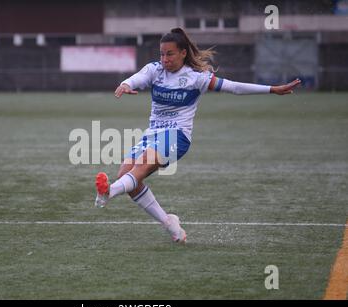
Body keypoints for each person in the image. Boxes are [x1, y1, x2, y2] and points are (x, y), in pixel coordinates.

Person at [94, 27, 301, 243]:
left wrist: (272, 89)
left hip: (177, 136)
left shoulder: (197, 77)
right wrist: (126, 84)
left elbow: (234, 87)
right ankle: (170, 224)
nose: (165, 59)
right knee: (127, 174)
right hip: (153, 133)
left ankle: (108, 192)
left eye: (170, 54)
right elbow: (138, 77)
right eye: (162, 54)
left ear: (183, 53)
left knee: (141, 166)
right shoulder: (155, 70)